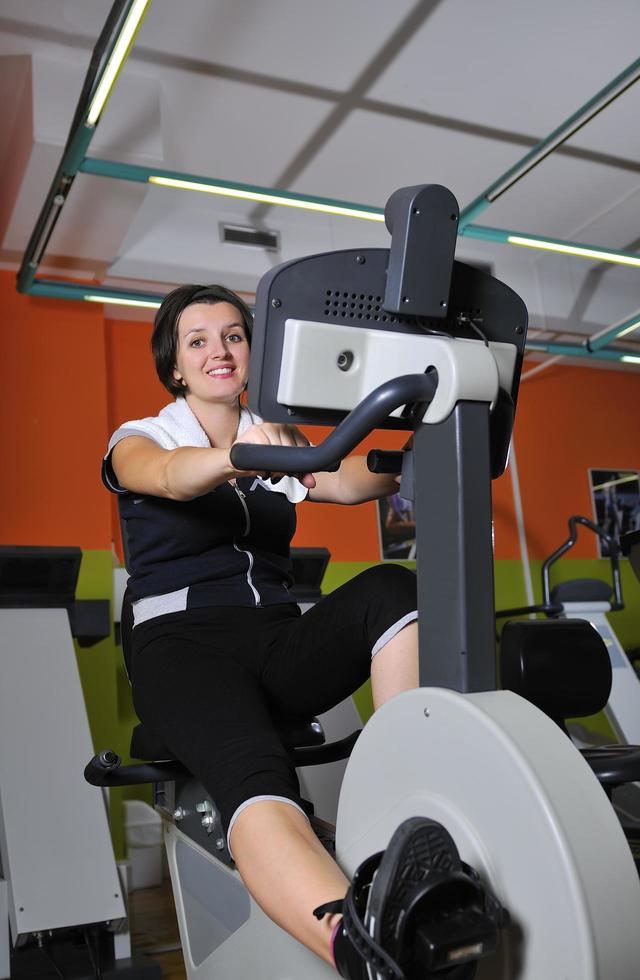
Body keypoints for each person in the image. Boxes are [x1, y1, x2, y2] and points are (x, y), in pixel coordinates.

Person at [103, 283, 425, 979]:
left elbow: (342, 478)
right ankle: (364, 950)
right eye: (198, 340)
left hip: (276, 642)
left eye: (233, 336)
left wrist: (426, 448)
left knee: (394, 590)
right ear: (175, 367)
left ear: (252, 352)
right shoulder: (143, 437)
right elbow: (165, 475)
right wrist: (241, 457)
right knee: (257, 775)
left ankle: (407, 816)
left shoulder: (275, 434)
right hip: (182, 647)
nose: (219, 350)